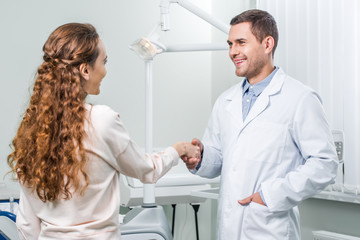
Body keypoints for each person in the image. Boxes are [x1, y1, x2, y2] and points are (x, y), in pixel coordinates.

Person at [7, 23, 200, 240]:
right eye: (104, 61)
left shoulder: (32, 132)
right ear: (85, 70)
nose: (105, 70)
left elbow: (26, 225)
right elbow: (148, 170)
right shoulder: (101, 120)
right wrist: (179, 149)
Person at [182, 9, 338, 240]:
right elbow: (222, 160)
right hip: (228, 227)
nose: (233, 51)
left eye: (241, 43)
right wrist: (202, 158)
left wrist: (270, 196)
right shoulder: (225, 101)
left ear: (267, 44)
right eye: (230, 44)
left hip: (269, 227)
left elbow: (325, 164)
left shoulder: (300, 98)